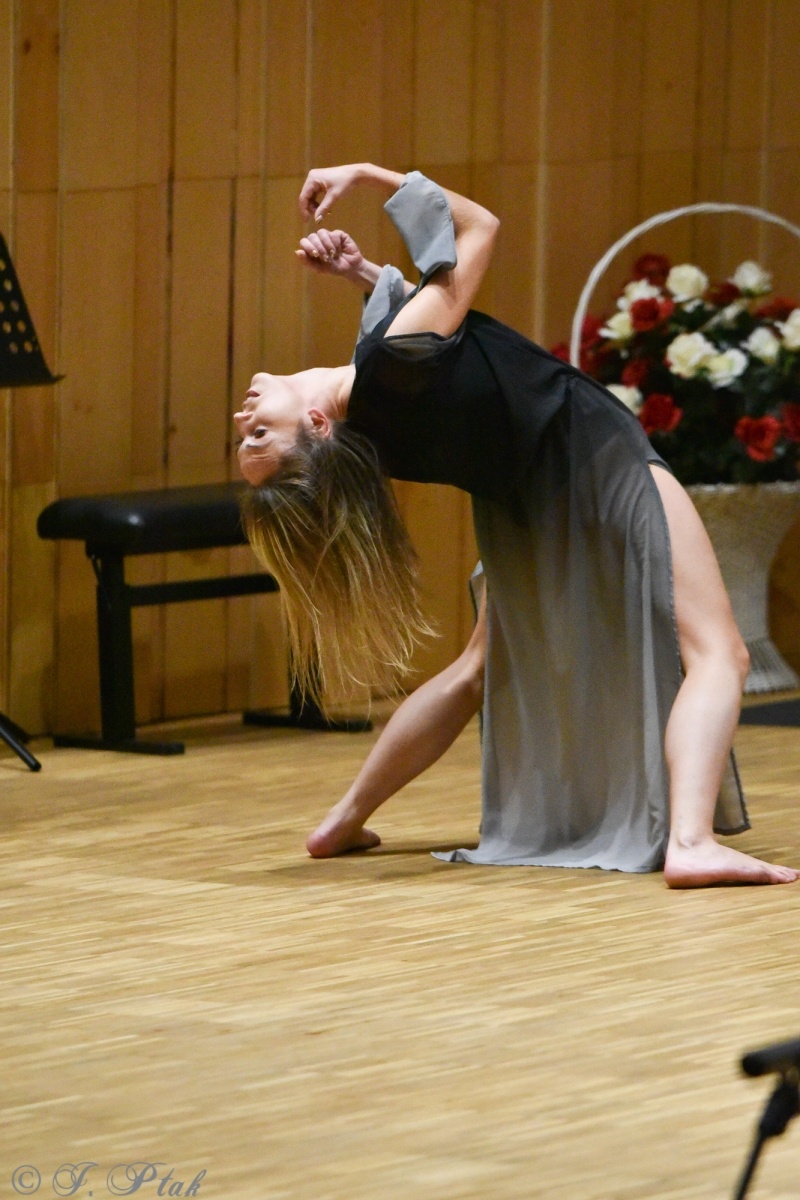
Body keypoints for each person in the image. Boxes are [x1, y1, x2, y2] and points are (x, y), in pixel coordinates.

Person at [235, 162, 798, 888]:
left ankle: (343, 819)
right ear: (314, 425)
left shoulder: (374, 420)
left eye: (244, 437)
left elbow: (431, 347)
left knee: (476, 669)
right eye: (259, 441)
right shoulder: (391, 372)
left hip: (524, 510)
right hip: (595, 461)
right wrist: (369, 176)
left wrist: (363, 274)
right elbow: (479, 230)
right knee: (720, 651)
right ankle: (691, 842)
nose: (244, 420)